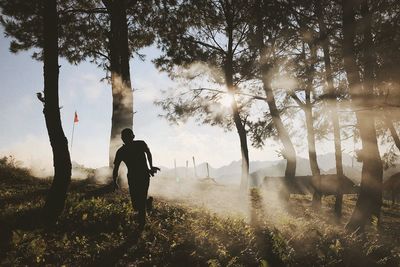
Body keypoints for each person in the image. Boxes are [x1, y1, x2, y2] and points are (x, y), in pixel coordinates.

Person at [112, 128, 159, 229]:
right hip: (132, 178)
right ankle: (147, 202)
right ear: (122, 139)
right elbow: (116, 167)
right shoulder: (121, 151)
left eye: (129, 136)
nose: (127, 139)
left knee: (140, 202)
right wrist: (114, 181)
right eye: (125, 137)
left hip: (144, 175)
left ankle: (141, 225)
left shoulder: (141, 144)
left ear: (133, 136)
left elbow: (148, 153)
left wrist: (151, 167)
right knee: (136, 205)